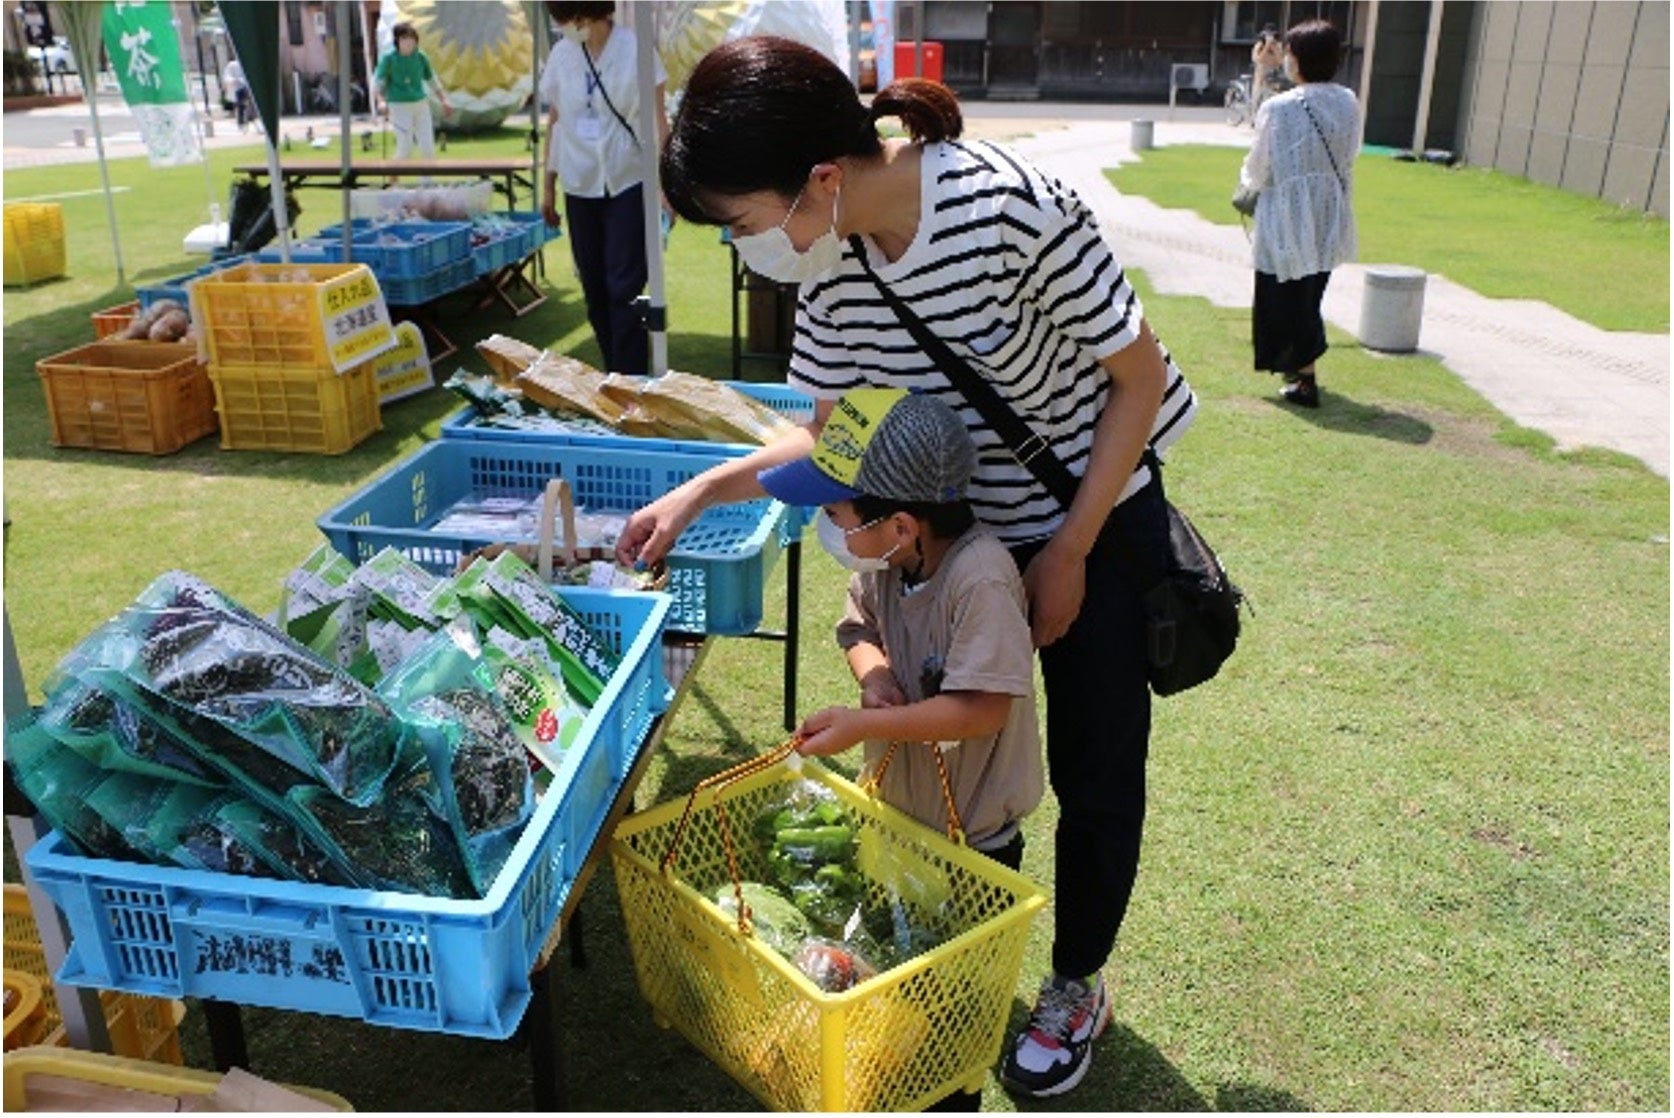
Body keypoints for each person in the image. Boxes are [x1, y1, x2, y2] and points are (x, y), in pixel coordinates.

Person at [617, 35, 1199, 1100]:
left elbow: (1140, 377)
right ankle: (954, 944)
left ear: (820, 178)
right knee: (963, 770)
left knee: (1097, 771)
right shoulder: (830, 263)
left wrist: (1069, 550)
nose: (746, 248)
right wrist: (698, 492)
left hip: (1094, 523)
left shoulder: (1010, 210)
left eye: (741, 222)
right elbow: (833, 439)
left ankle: (1075, 981)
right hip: (954, 541)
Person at [763, 387, 1043, 1113]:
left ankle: (949, 1095)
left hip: (975, 841)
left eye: (836, 514)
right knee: (897, 967)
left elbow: (982, 710)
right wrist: (877, 677)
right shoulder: (887, 563)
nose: (829, 527)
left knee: (954, 1000)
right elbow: (858, 630)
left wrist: (866, 726)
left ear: (901, 525)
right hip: (900, 819)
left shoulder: (980, 579)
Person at [540, 1, 670, 376]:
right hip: (579, 184)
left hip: (628, 181)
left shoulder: (636, 50)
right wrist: (548, 185)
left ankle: (628, 379)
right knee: (595, 290)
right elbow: (555, 124)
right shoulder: (562, 55)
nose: (563, 28)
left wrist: (667, 185)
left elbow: (660, 122)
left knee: (623, 288)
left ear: (585, 15)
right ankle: (614, 372)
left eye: (565, 20)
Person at [1237, 19, 1359, 408]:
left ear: (1298, 58)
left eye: (1289, 52)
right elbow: (1351, 153)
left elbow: (1259, 166)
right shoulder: (1348, 100)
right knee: (1308, 295)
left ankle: (1305, 380)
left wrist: (1247, 185)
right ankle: (1301, 372)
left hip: (1287, 215)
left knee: (1282, 297)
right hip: (1328, 210)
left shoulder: (1280, 107)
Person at [374, 21, 451, 162]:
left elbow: (432, 79)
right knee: (405, 150)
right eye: (404, 38)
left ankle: (427, 178)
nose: (409, 41)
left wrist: (444, 100)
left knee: (428, 150)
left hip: (421, 105)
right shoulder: (388, 58)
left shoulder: (421, 56)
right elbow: (379, 82)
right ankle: (393, 173)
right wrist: (381, 101)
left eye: (412, 38)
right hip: (399, 106)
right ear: (397, 41)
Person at [1250, 23, 1289, 111]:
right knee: (1257, 97)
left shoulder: (1277, 45)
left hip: (1273, 75)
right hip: (1261, 74)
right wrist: (1266, 46)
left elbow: (1280, 61)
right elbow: (1258, 59)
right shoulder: (1259, 45)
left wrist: (1274, 49)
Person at [222, 57, 253, 132]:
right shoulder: (233, 65)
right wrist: (234, 80)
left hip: (245, 87)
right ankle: (241, 122)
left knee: (246, 104)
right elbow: (227, 76)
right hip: (239, 88)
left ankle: (248, 118)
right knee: (241, 106)